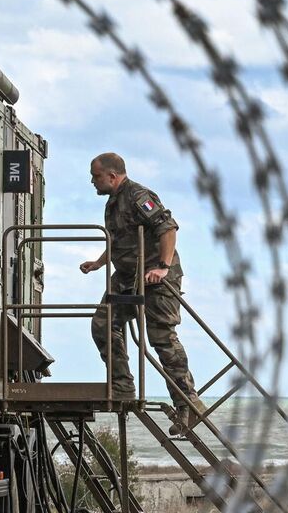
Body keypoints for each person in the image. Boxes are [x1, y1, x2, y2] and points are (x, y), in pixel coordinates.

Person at [78, 152, 201, 433]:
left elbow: (167, 228)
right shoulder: (112, 203)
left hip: (155, 278)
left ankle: (188, 406)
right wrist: (99, 262)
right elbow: (121, 239)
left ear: (112, 175)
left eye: (96, 176)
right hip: (126, 278)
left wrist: (162, 266)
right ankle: (122, 386)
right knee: (103, 324)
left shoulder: (138, 196)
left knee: (161, 339)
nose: (92, 181)